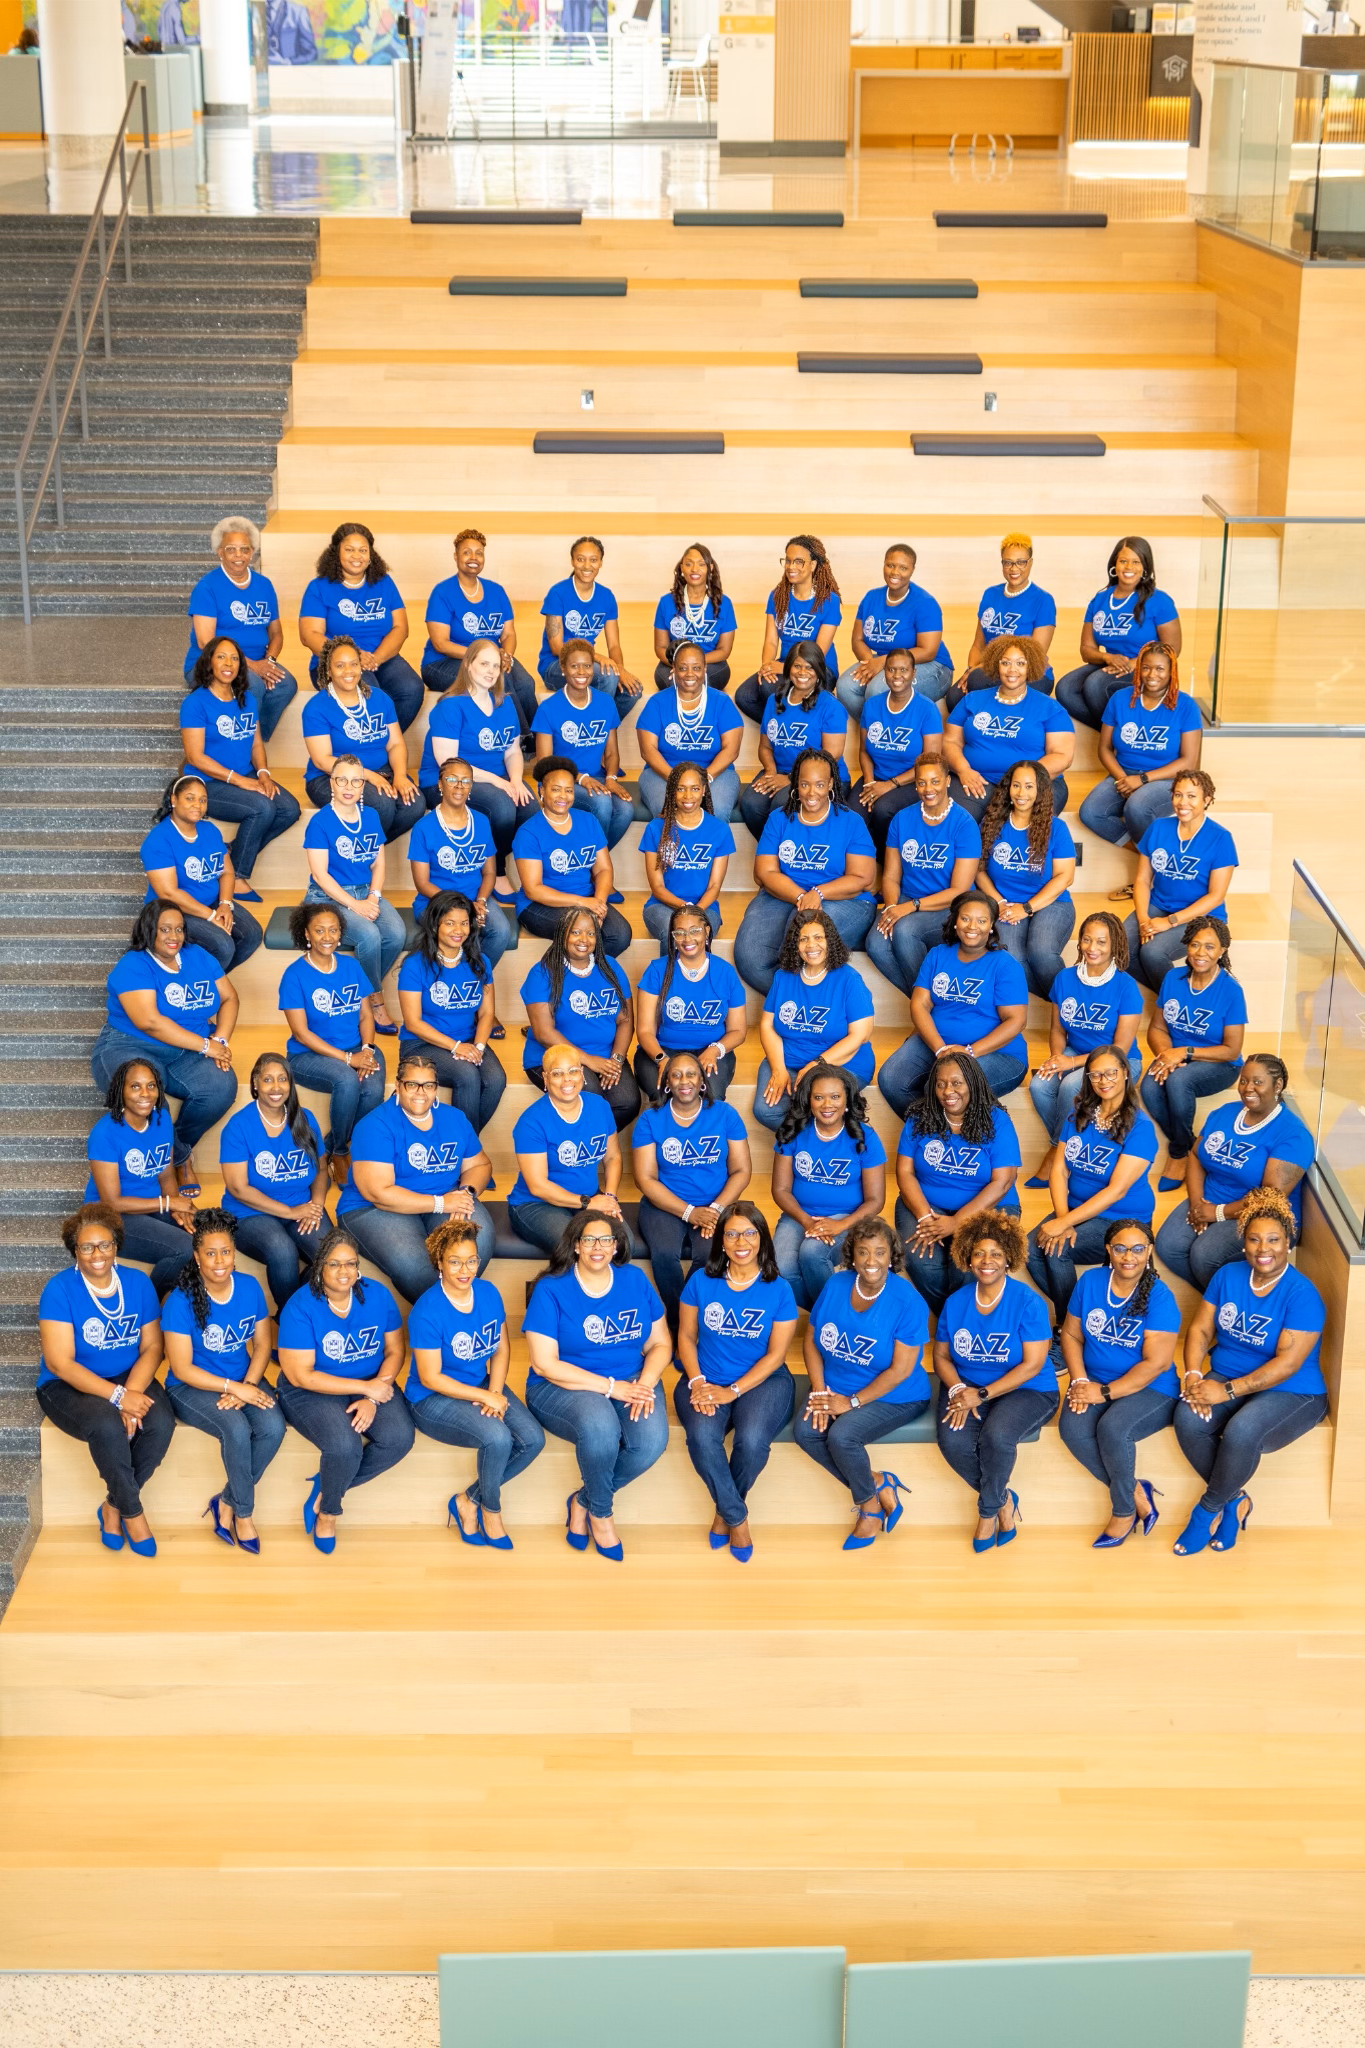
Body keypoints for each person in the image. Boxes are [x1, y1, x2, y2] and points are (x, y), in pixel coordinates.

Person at [1172, 1191, 1329, 1557]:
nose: (1264, 1249)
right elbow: (1200, 1330)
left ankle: (1205, 1512)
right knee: (1187, 1417)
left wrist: (1225, 1391)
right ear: (1243, 1242)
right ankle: (1235, 1500)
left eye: (1273, 1240)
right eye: (1255, 1239)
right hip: (1229, 1375)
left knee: (1241, 1431)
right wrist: (1193, 1373)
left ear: (1288, 1242)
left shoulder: (1302, 1294)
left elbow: (1287, 1364)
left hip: (1294, 1390)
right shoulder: (1228, 1275)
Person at [523, 1211, 671, 1561]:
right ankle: (601, 1516)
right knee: (601, 1429)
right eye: (588, 1240)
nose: (598, 1247)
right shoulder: (551, 1289)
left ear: (616, 1245)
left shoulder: (634, 1279)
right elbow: (545, 1364)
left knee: (650, 1443)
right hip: (563, 1383)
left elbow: (661, 1343)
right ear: (575, 1246)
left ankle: (583, 1501)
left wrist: (646, 1382)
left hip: (632, 1379)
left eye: (606, 1240)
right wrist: (611, 1387)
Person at [37, 1204, 172, 1558]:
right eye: (87, 1247)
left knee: (160, 1422)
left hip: (128, 1375)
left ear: (116, 1245)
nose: (97, 1254)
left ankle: (112, 1506)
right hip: (65, 1384)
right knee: (108, 1427)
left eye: (105, 1245)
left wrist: (131, 1393)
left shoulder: (137, 1283)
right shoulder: (59, 1289)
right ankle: (133, 1513)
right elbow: (60, 1363)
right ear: (75, 1250)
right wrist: (117, 1398)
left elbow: (153, 1347)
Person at [406, 1220, 545, 1550]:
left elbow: (501, 1349)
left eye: (471, 1260)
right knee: (497, 1438)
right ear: (439, 1262)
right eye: (454, 1261)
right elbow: (430, 1377)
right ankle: (491, 1511)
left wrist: (494, 1392)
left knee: (533, 1439)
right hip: (431, 1398)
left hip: (479, 1383)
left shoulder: (488, 1292)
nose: (465, 1270)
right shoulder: (427, 1311)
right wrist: (483, 1395)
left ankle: (468, 1500)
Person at [794, 1219, 929, 1550]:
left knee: (842, 1437)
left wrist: (851, 1402)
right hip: (835, 1384)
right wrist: (819, 1388)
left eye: (880, 1252)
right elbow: (811, 1339)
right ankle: (878, 1484)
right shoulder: (836, 1284)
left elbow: (899, 1370)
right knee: (806, 1432)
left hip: (896, 1395)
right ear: (851, 1256)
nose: (871, 1261)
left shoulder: (908, 1301)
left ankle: (869, 1510)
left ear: (891, 1256)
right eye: (863, 1252)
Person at [276, 1228, 412, 1555]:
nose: (343, 1271)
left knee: (399, 1438)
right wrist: (365, 1388)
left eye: (350, 1263)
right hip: (311, 1389)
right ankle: (328, 1513)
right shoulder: (301, 1305)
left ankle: (329, 1487)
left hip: (371, 1382)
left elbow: (396, 1350)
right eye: (334, 1264)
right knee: (343, 1447)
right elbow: (300, 1375)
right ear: (320, 1266)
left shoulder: (377, 1295)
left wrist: (372, 1395)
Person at [676, 1203, 799, 1561]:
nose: (740, 1242)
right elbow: (686, 1337)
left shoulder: (779, 1289)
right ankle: (737, 1518)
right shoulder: (701, 1281)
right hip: (704, 1377)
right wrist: (698, 1382)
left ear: (762, 1239)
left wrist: (732, 1391)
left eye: (749, 1233)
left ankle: (724, 1513)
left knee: (753, 1441)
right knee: (702, 1438)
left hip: (764, 1381)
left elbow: (776, 1355)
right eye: (731, 1234)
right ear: (721, 1240)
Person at [91, 902, 238, 1197]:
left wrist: (221, 1040)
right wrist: (206, 1046)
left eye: (179, 929)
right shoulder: (134, 965)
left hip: (186, 1050)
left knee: (221, 1087)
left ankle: (176, 1146)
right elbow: (149, 1022)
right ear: (149, 931)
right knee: (148, 1096)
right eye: (165, 929)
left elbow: (229, 998)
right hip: (131, 1045)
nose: (174, 936)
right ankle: (180, 1160)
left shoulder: (197, 955)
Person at [934, 1210, 1058, 1552]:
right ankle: (1004, 1500)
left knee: (997, 1436)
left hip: (1028, 1389)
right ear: (968, 1258)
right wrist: (959, 1388)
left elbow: (1033, 1365)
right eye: (979, 1253)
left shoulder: (1028, 1302)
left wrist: (982, 1394)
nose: (987, 1261)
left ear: (1009, 1259)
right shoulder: (956, 1303)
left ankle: (988, 1513)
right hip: (968, 1386)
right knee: (953, 1441)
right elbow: (941, 1356)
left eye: (996, 1254)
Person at [161, 1208, 282, 1554]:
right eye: (210, 1253)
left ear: (234, 1253)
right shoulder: (180, 1300)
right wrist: (233, 1388)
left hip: (244, 1379)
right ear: (197, 1256)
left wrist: (249, 1385)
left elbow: (262, 1345)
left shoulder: (249, 1287)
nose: (219, 1261)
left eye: (225, 1252)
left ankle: (225, 1500)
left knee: (273, 1428)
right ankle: (243, 1514)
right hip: (190, 1387)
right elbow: (182, 1368)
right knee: (236, 1429)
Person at [1058, 1220, 1180, 1547]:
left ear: (1149, 1251)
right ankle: (1137, 1489)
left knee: (1113, 1429)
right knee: (1072, 1429)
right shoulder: (1091, 1281)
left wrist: (1103, 1393)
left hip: (1152, 1388)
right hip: (1094, 1380)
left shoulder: (1160, 1296)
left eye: (1138, 1249)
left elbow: (1157, 1363)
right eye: (1121, 1248)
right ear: (1108, 1250)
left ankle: (1124, 1511)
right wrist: (1080, 1380)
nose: (1129, 1256)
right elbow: (1071, 1335)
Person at [337, 1051, 494, 1299]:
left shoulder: (454, 1118)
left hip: (444, 1197)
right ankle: (443, 1317)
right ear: (398, 1085)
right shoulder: (375, 1125)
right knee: (418, 1269)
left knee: (479, 1241)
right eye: (412, 1084)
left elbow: (480, 1165)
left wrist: (466, 1192)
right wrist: (441, 1203)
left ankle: (451, 1312)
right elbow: (378, 1193)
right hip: (374, 1208)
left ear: (436, 1088)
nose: (421, 1092)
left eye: (428, 1085)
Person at [1025, 1046, 1160, 1332]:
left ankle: (1067, 1329)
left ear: (1125, 1073)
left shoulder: (1140, 1127)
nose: (1103, 1080)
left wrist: (1065, 1223)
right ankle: (1081, 1315)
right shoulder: (1078, 1114)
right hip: (1076, 1209)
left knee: (1056, 1249)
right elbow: (1059, 1170)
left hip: (1121, 1218)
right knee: (1028, 1248)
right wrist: (1063, 1217)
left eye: (1111, 1073)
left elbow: (1117, 1191)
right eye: (1096, 1074)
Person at [1156, 1054, 1314, 1292]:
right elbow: (1196, 1155)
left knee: (1204, 1255)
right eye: (1244, 1080)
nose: (1248, 1088)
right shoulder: (1225, 1112)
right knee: (1168, 1246)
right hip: (1210, 1197)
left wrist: (1217, 1213)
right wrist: (1197, 1204)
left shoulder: (1293, 1135)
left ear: (1278, 1085)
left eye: (1258, 1082)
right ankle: (1221, 1299)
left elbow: (1269, 1198)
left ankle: (1242, 1300)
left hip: (1263, 1214)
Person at [733, 749, 877, 996]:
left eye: (820, 784)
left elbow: (862, 879)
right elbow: (764, 873)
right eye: (805, 784)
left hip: (845, 900)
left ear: (830, 784)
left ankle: (808, 1006)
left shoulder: (850, 822)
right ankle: (797, 1001)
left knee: (801, 937)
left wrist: (818, 893)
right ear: (795, 784)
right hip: (784, 895)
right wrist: (801, 896)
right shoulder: (779, 819)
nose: (812, 793)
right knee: (749, 956)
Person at [878, 890, 1029, 1116]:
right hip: (938, 1044)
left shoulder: (1005, 965)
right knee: (891, 1079)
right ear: (955, 921)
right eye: (966, 918)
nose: (972, 926)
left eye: (982, 920)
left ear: (991, 926)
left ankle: (955, 1129)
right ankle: (930, 1132)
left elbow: (1016, 1021)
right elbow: (920, 1005)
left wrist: (969, 1052)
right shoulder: (938, 955)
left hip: (998, 1054)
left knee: (942, 1089)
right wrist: (940, 1048)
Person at [896, 1050, 1021, 1318]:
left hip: (988, 1207)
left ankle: (961, 1321)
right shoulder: (919, 1117)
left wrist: (957, 1222)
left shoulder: (996, 1120)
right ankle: (953, 1319)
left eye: (956, 1083)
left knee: (966, 1264)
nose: (947, 1091)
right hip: (926, 1205)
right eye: (940, 1084)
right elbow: (904, 1172)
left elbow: (1003, 1182)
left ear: (972, 1084)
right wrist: (924, 1217)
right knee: (920, 1261)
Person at [632, 1053, 750, 1335]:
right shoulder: (650, 1120)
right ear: (666, 1082)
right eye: (676, 1075)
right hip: (664, 1204)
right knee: (664, 1254)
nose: (684, 1081)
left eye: (691, 1074)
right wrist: (688, 1212)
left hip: (714, 1204)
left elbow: (741, 1171)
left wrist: (716, 1210)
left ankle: (693, 1319)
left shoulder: (725, 1114)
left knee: (710, 1255)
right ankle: (677, 1323)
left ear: (702, 1081)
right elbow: (645, 1179)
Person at [179, 636, 300, 893]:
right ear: (209, 663)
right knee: (262, 808)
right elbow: (195, 757)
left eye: (234, 658)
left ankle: (231, 856)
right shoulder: (195, 703)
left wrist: (263, 774)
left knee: (289, 809)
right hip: (207, 784)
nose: (229, 663)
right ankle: (236, 877)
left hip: (245, 775)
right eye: (221, 657)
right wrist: (240, 780)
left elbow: (256, 745)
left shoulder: (247, 699)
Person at [277, 900, 386, 1182]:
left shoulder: (350, 966)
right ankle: (339, 1153)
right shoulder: (294, 975)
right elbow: (301, 1034)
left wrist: (367, 1049)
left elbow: (366, 1015)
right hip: (307, 1056)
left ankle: (330, 1143)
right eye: (320, 930)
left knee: (373, 1090)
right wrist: (349, 1059)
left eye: (334, 930)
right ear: (306, 934)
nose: (328, 937)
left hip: (357, 1047)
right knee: (347, 1080)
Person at [1078, 642, 1203, 882]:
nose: (1152, 674)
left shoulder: (1185, 705)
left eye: (1160, 669)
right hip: (1124, 772)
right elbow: (1104, 749)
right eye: (1146, 668)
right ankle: (1153, 861)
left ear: (1171, 671)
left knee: (1136, 807)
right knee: (1091, 813)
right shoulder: (1120, 699)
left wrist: (1143, 779)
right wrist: (1123, 778)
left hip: (1168, 778)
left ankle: (1152, 876)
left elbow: (1189, 761)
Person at [1140, 916, 1247, 1190]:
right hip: (1176, 1056)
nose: (1201, 953)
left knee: (1178, 1081)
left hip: (1219, 1063)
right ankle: (1191, 1146)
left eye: (1210, 947)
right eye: (1195, 945)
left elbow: (1231, 1050)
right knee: (1149, 1087)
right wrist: (1167, 1055)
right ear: (1186, 945)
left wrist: (1185, 1053)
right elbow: (1157, 1028)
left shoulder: (1231, 991)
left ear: (1222, 950)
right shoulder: (1173, 978)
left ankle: (1178, 1154)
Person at [1029, 912, 1144, 1160]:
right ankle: (1070, 1141)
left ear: (1114, 945)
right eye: (1087, 939)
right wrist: (1057, 1058)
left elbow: (1120, 1048)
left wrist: (1070, 1062)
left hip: (1119, 1061)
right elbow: (1057, 1029)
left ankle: (1057, 1151)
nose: (1092, 948)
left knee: (1071, 1085)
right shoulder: (1065, 978)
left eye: (1102, 942)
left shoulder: (1126, 986)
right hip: (1075, 1051)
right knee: (1039, 1085)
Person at [302, 755, 406, 1028]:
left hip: (365, 891)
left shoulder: (371, 816)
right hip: (326, 897)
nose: (349, 787)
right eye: (342, 780)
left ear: (363, 785)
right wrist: (355, 905)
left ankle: (357, 990)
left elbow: (379, 864)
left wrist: (373, 896)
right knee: (369, 936)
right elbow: (320, 876)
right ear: (332, 784)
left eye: (356, 781)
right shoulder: (320, 822)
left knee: (396, 933)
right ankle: (375, 1000)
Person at [864, 754, 981, 995]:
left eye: (935, 781)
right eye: (922, 782)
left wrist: (910, 907)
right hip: (908, 898)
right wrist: (891, 907)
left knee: (905, 931)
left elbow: (959, 891)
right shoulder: (901, 819)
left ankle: (926, 1002)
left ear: (947, 781)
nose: (928, 789)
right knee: (876, 945)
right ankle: (928, 1000)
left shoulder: (964, 825)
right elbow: (891, 876)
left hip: (948, 905)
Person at [219, 1053, 329, 1309]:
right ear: (255, 1083)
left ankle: (297, 1311)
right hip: (250, 1213)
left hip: (302, 1205)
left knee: (331, 1255)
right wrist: (289, 1212)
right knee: (283, 1251)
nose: (276, 1087)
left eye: (282, 1079)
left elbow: (322, 1169)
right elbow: (238, 1188)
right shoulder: (239, 1126)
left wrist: (316, 1205)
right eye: (268, 1079)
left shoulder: (305, 1119)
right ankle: (291, 1321)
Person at [418, 637, 535, 877]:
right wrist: (497, 781)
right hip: (449, 780)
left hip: (495, 777)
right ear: (468, 664)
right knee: (502, 806)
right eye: (484, 664)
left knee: (530, 808)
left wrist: (515, 779)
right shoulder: (451, 706)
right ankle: (496, 872)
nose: (491, 671)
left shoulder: (506, 702)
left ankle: (492, 861)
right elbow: (448, 763)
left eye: (495, 666)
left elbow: (513, 751)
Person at [772, 1065, 887, 1306]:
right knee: (781, 1267)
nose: (827, 1105)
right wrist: (807, 1222)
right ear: (809, 1100)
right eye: (819, 1097)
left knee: (812, 1252)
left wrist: (840, 1225)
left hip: (848, 1218)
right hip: (799, 1215)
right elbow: (780, 1190)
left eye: (835, 1097)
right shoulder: (793, 1132)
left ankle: (832, 1314)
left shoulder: (865, 1137)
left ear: (847, 1100)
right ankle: (829, 1313)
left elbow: (876, 1200)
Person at [754, 907, 876, 1134]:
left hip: (841, 1064)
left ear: (830, 941)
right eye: (804, 939)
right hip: (788, 1060)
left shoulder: (849, 979)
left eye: (818, 937)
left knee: (816, 1107)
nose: (811, 945)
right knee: (766, 1110)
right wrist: (778, 1068)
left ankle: (819, 1144)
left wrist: (816, 1064)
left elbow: (860, 1035)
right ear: (795, 944)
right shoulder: (783, 977)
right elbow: (767, 1025)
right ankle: (815, 1141)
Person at [298, 520, 424, 731]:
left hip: (380, 657)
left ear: (370, 554)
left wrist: (377, 658)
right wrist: (355, 656)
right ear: (336, 552)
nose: (357, 556)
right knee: (369, 691)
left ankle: (385, 742)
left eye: (363, 550)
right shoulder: (319, 587)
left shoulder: (384, 583)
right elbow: (309, 634)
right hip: (337, 661)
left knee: (411, 688)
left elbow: (400, 628)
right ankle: (372, 744)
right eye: (349, 550)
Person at [84, 1059, 194, 1298]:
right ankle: (148, 1304)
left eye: (151, 1086)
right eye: (135, 1086)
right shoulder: (104, 1133)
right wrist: (168, 1203)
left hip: (151, 1205)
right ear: (120, 1091)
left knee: (205, 1233)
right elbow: (112, 1202)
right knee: (184, 1248)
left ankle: (189, 1304)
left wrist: (177, 1206)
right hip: (111, 1217)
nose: (145, 1093)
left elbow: (166, 1174)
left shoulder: (161, 1119)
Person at [396, 891, 505, 1132]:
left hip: (468, 1039)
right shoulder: (415, 965)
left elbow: (487, 1014)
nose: (459, 930)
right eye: (450, 923)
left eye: (464, 923)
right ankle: (466, 1147)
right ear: (435, 925)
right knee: (467, 1075)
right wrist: (456, 1047)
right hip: (421, 1043)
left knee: (496, 1080)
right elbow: (413, 1023)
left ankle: (464, 1141)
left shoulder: (480, 961)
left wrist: (478, 1047)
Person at [521, 905, 638, 1130]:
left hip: (606, 1055)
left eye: (590, 933)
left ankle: (592, 1146)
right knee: (590, 1096)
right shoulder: (543, 973)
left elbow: (625, 1020)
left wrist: (617, 1059)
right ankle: (578, 1147)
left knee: (627, 1103)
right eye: (576, 932)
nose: (584, 939)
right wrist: (588, 1060)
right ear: (562, 933)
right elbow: (544, 1033)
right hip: (558, 1056)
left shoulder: (611, 967)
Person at [301, 635, 425, 845]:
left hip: (381, 770)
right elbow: (322, 760)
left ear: (361, 666)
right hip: (330, 776)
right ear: (328, 670)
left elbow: (395, 744)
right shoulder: (316, 707)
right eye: (340, 665)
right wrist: (366, 775)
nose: (348, 671)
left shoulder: (380, 698)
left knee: (414, 804)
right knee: (382, 804)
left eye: (354, 664)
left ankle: (363, 849)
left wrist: (400, 775)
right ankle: (364, 857)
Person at [184, 516, 297, 741]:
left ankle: (254, 741)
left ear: (252, 551)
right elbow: (205, 641)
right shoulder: (207, 587)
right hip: (211, 662)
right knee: (252, 685)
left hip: (257, 662)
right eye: (231, 549)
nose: (239, 555)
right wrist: (253, 666)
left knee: (286, 685)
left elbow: (276, 633)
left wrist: (269, 663)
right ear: (220, 552)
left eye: (244, 549)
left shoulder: (264, 585)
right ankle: (243, 745)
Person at [1124, 769, 1238, 990]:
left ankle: (1178, 998)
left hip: (1202, 915)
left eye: (1191, 796)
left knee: (1152, 952)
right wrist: (1143, 920)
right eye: (1178, 795)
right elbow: (1142, 880)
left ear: (1206, 800)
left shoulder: (1221, 838)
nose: (1182, 802)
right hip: (1159, 904)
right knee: (1121, 946)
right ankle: (1171, 995)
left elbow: (1216, 896)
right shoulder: (1158, 828)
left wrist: (1169, 922)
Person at [1055, 536, 1182, 733]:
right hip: (1110, 663)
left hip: (1145, 667)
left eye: (1136, 562)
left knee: (1095, 684)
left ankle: (1121, 737)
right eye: (1123, 561)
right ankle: (1119, 734)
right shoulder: (1100, 599)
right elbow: (1086, 650)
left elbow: (1172, 649)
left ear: (1145, 566)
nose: (1129, 567)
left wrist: (1133, 663)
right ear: (1114, 564)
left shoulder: (1159, 600)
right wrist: (1107, 657)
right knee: (1066, 688)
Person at [942, 635, 1075, 821]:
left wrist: (1021, 782)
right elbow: (950, 741)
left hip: (1032, 783)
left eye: (1020, 663)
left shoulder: (1050, 708)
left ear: (1030, 666)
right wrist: (963, 770)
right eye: (1005, 663)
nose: (1012, 669)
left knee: (1019, 825)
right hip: (977, 780)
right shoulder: (972, 700)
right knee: (959, 819)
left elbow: (1062, 756)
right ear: (995, 665)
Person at [507, 1041, 623, 1254]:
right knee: (578, 1247)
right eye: (557, 1073)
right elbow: (538, 1186)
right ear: (545, 1078)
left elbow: (613, 1157)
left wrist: (609, 1197)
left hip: (588, 1197)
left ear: (582, 1073)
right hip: (537, 1204)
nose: (567, 1079)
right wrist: (587, 1203)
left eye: (573, 1071)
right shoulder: (531, 1122)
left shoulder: (599, 1106)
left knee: (621, 1244)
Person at [511, 756, 632, 958]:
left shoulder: (588, 821)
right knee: (580, 931)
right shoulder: (529, 833)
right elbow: (533, 890)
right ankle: (564, 974)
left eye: (568, 790)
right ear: (542, 791)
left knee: (619, 935)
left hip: (587, 899)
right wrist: (583, 903)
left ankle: (587, 974)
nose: (563, 796)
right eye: (556, 789)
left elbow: (603, 869)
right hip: (539, 906)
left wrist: (598, 903)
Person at [141, 773, 261, 975]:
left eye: (203, 800)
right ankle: (193, 981)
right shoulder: (159, 840)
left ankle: (208, 980)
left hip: (211, 902)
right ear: (173, 800)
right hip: (172, 910)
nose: (197, 804)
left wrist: (225, 904)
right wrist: (211, 916)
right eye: (190, 798)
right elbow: (168, 893)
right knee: (223, 945)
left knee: (251, 935)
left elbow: (227, 872)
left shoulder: (209, 830)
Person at [976, 758, 1077, 998]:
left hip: (1051, 903)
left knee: (1040, 953)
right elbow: (978, 870)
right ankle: (1060, 1000)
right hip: (1006, 905)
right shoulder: (992, 823)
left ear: (1040, 790)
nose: (1021, 793)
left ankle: (1070, 1003)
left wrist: (1027, 908)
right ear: (1008, 788)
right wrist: (999, 902)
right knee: (1011, 958)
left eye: (1029, 786)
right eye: (1016, 785)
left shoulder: (1056, 828)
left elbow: (1065, 877)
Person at [420, 527, 536, 733]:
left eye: (479, 553)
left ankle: (541, 738)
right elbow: (440, 643)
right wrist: (485, 658)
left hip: (492, 656)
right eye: (467, 552)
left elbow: (508, 633)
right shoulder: (443, 592)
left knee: (525, 683)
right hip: (443, 663)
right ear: (456, 556)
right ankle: (523, 739)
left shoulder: (496, 591)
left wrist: (506, 656)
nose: (473, 557)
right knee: (498, 680)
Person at [407, 757, 513, 971]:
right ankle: (454, 979)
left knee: (501, 931)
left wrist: (480, 901)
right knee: (460, 930)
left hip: (476, 899)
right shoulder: (423, 827)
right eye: (452, 779)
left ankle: (473, 979)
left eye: (466, 781)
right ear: (440, 784)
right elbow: (422, 883)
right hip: (436, 901)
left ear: (471, 786)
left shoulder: (481, 821)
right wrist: (463, 906)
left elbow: (489, 872)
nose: (459, 786)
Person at [633, 906, 747, 1104]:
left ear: (707, 931)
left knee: (710, 1098)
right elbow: (644, 1031)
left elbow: (738, 1030)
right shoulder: (657, 971)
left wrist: (715, 1050)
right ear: (673, 936)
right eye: (679, 933)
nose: (687, 939)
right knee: (664, 1097)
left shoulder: (725, 972)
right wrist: (662, 1060)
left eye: (694, 931)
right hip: (663, 1049)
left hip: (710, 1050)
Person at [737, 642, 848, 844]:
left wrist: (792, 779)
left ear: (819, 671)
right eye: (797, 666)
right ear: (788, 668)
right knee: (751, 804)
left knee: (782, 805)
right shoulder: (774, 700)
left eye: (809, 667)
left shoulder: (831, 706)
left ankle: (788, 854)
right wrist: (770, 771)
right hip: (780, 771)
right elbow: (765, 746)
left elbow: (830, 756)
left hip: (820, 776)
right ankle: (775, 850)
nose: (803, 672)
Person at [531, 639, 633, 846]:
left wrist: (611, 777)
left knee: (625, 810)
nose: (581, 672)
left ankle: (589, 856)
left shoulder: (605, 702)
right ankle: (590, 858)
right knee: (602, 804)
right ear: (563, 668)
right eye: (574, 666)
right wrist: (581, 778)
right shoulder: (548, 708)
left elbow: (611, 752)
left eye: (587, 665)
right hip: (559, 781)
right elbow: (545, 763)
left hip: (596, 777)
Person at [836, 542, 952, 718]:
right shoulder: (871, 598)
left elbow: (928, 651)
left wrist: (883, 663)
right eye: (890, 565)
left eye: (903, 568)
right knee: (845, 687)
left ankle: (887, 727)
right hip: (883, 660)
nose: (895, 572)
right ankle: (876, 727)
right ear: (883, 564)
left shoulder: (925, 603)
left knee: (878, 690)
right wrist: (870, 663)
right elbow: (857, 640)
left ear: (912, 570)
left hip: (931, 665)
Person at [736, 534, 842, 725]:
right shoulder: (777, 596)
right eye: (788, 560)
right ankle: (785, 726)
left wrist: (786, 668)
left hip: (818, 668)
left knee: (769, 689)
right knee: (744, 697)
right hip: (785, 663)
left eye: (799, 561)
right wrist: (767, 666)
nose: (791, 566)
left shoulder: (829, 600)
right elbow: (770, 641)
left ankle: (801, 723)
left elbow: (819, 650)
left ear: (813, 565)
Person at [636, 641, 744, 823]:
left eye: (696, 668)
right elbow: (648, 750)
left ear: (705, 669)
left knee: (715, 810)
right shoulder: (657, 703)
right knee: (669, 811)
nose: (690, 674)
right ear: (673, 669)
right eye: (683, 668)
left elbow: (731, 750)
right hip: (663, 774)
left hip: (715, 774)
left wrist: (702, 780)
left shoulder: (722, 702)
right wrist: (677, 780)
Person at [850, 649, 945, 854]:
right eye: (891, 669)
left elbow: (930, 763)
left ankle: (886, 859)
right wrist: (869, 783)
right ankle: (865, 861)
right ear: (884, 672)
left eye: (903, 670)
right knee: (853, 813)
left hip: (911, 780)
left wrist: (890, 784)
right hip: (875, 777)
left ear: (913, 673)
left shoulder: (926, 709)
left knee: (883, 809)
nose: (897, 675)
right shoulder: (872, 705)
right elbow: (864, 751)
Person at [537, 534, 639, 714]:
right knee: (607, 677)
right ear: (572, 561)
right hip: (556, 665)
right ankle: (593, 723)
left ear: (600, 563)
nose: (586, 565)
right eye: (580, 559)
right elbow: (556, 647)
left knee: (633, 690)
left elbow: (614, 645)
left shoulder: (606, 596)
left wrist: (620, 670)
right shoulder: (557, 593)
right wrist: (599, 658)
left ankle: (602, 726)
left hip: (588, 663)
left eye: (593, 560)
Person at [952, 532, 1057, 701]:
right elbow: (978, 645)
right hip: (988, 670)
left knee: (977, 682)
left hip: (1028, 672)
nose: (1014, 569)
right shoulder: (990, 594)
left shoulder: (1043, 600)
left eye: (1021, 562)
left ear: (1030, 563)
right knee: (954, 698)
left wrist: (979, 670)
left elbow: (1035, 654)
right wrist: (971, 669)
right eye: (1008, 562)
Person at [640, 764, 735, 943]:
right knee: (676, 934)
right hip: (662, 906)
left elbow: (714, 886)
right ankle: (668, 964)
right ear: (672, 792)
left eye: (695, 789)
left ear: (704, 790)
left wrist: (696, 910)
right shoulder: (655, 828)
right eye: (680, 789)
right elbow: (657, 886)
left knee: (697, 934)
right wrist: (685, 908)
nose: (688, 796)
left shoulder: (720, 830)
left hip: (705, 907)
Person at [653, 544, 738, 690]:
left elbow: (724, 650)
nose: (694, 569)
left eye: (701, 564)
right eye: (688, 564)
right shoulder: (666, 602)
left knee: (697, 680)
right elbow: (660, 647)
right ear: (681, 567)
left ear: (710, 568)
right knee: (675, 682)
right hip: (674, 662)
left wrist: (694, 666)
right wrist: (680, 665)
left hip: (710, 663)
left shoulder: (724, 603)